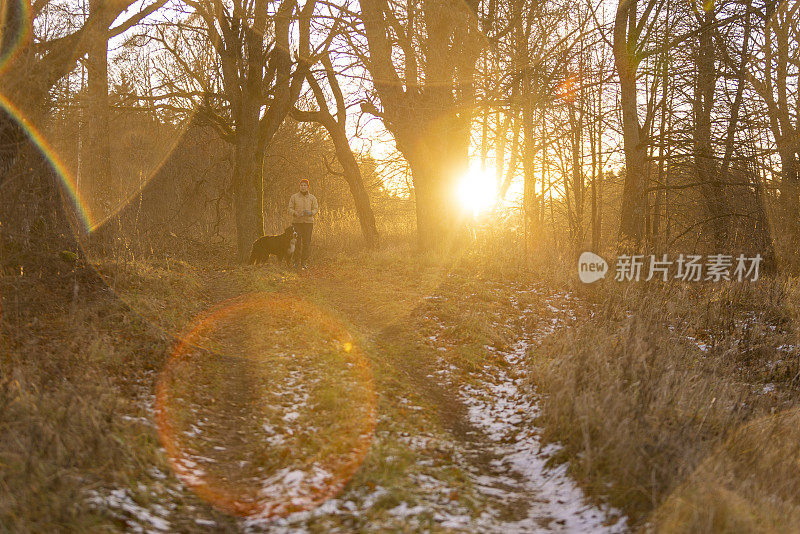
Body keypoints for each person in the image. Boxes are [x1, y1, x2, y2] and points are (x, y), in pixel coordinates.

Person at [288, 178, 318, 269]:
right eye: (301, 185)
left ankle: (304, 262)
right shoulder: (294, 197)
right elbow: (289, 208)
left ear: (308, 187)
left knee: (306, 243)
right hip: (297, 223)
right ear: (299, 186)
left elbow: (316, 208)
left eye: (305, 185)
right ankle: (296, 262)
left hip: (308, 223)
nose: (303, 187)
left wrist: (311, 213)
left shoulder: (312, 197)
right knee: (297, 242)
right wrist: (295, 213)